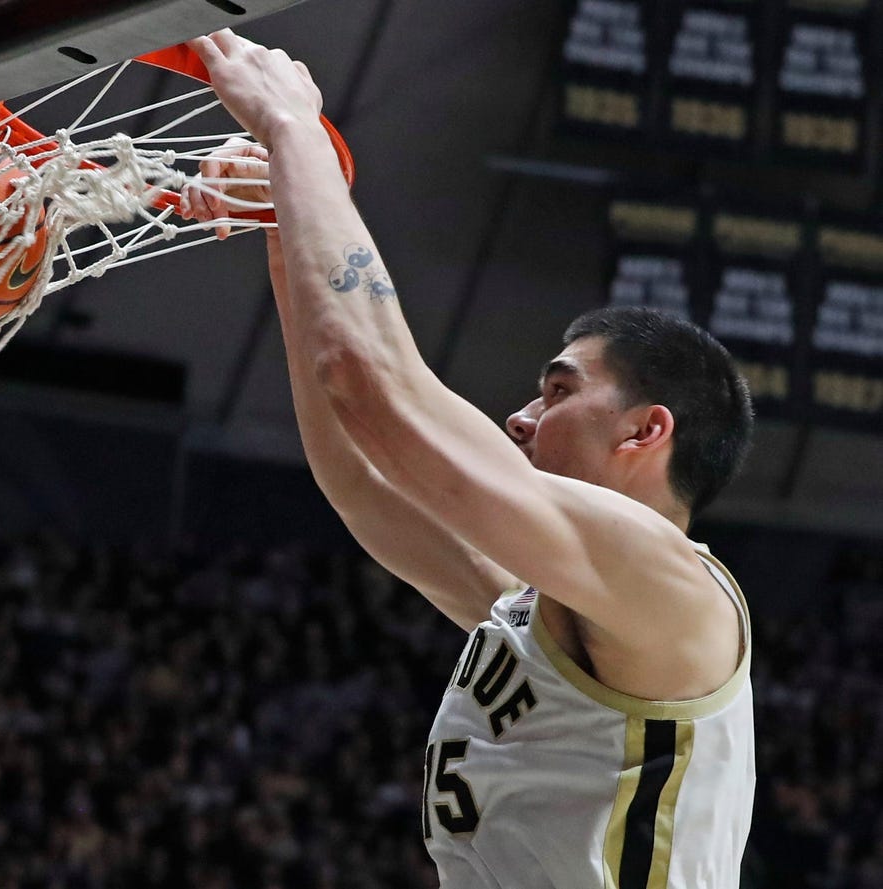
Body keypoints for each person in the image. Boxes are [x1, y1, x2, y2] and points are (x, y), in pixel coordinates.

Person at [182, 30, 756, 889]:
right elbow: (365, 472)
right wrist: (282, 226)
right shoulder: (553, 603)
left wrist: (291, 126)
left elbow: (374, 388)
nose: (521, 418)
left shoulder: (670, 588)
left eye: (558, 392)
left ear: (644, 431)